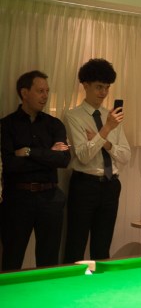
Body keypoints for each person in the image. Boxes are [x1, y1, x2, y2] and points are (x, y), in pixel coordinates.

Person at [0, 70, 71, 270]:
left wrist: (29, 152)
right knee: (12, 258)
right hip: (17, 199)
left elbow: (63, 159)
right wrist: (48, 155)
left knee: (49, 260)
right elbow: (9, 164)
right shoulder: (6, 125)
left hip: (50, 197)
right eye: (40, 91)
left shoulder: (54, 124)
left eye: (47, 91)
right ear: (25, 93)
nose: (45, 96)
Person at [63, 59, 131, 263]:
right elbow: (83, 156)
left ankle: (102, 281)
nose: (103, 92)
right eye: (99, 87)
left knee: (102, 246)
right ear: (85, 86)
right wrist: (106, 129)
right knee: (76, 243)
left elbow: (125, 156)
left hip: (111, 184)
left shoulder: (111, 116)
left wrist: (104, 142)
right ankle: (72, 280)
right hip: (85, 184)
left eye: (107, 87)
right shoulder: (73, 116)